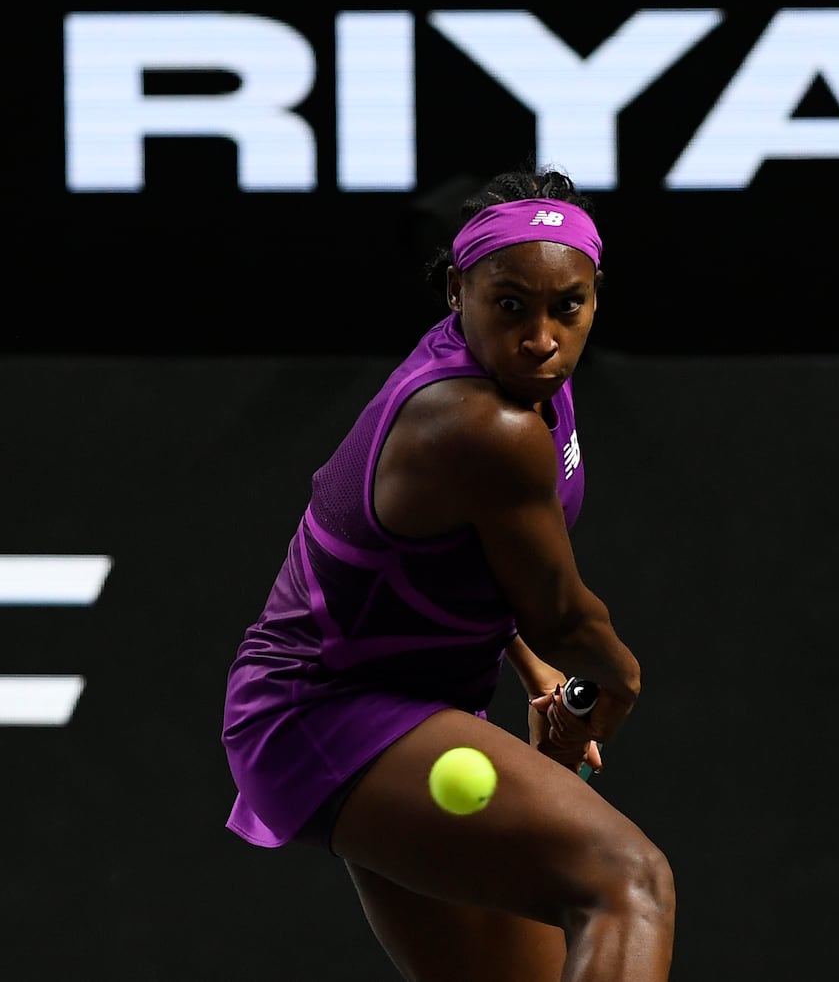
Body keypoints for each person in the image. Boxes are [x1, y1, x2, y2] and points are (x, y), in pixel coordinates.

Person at [221, 161, 675, 981]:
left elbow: (478, 568)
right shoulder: (476, 422)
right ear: (456, 292)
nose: (541, 336)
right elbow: (562, 616)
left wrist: (542, 681)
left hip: (404, 705)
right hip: (325, 711)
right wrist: (622, 682)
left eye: (566, 307)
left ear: (594, 295)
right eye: (510, 305)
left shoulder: (528, 384)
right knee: (628, 882)